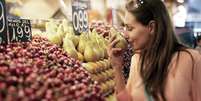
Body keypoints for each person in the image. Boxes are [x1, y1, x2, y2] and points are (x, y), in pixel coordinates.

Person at [107, 0, 201, 101]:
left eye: (130, 28)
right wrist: (117, 67)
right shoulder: (137, 60)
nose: (125, 34)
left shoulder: (191, 59)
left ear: (151, 27)